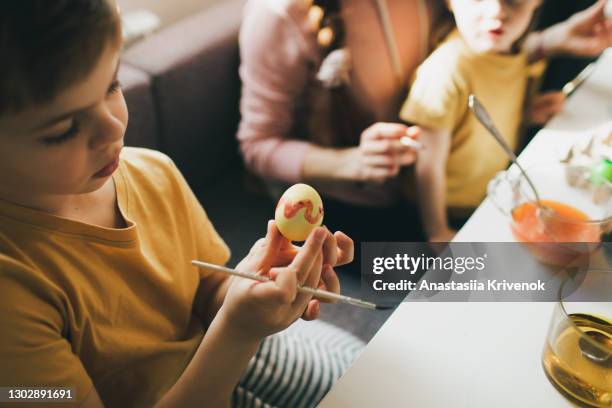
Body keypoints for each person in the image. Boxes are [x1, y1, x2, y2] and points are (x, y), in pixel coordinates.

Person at [0, 2, 361, 407]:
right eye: (64, 128)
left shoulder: (153, 172)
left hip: (242, 352)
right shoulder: (11, 294)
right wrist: (238, 331)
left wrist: (254, 287)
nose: (113, 128)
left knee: (375, 374)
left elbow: (205, 291)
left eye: (111, 86)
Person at [237, 0, 612, 246]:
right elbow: (257, 146)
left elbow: (463, 56)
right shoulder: (279, 17)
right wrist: (352, 162)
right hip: (358, 212)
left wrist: (548, 44)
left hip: (451, 172)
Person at [398, 0, 612, 242]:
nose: (497, 10)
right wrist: (437, 230)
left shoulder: (512, 52)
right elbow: (428, 164)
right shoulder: (445, 73)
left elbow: (488, 110)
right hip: (448, 211)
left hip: (490, 194)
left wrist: (527, 113)